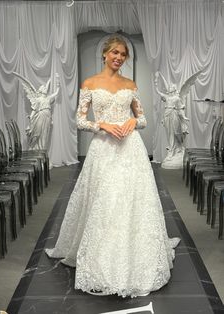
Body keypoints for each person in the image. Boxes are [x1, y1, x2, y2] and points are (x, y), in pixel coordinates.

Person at [45, 35, 180, 298]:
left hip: (131, 150)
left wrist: (133, 122)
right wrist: (102, 125)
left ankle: (134, 254)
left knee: (132, 200)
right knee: (104, 201)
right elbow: (80, 121)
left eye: (123, 54)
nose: (119, 57)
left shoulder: (130, 84)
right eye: (115, 53)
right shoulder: (90, 83)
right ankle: (102, 258)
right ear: (104, 54)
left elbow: (142, 118)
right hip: (103, 149)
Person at [13, 72, 60, 150]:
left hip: (47, 117)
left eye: (45, 88)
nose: (46, 89)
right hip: (40, 116)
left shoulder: (47, 98)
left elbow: (56, 93)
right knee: (37, 133)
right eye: (44, 89)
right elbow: (34, 110)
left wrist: (55, 83)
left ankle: (42, 150)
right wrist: (31, 118)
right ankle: (33, 148)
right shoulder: (38, 100)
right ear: (41, 91)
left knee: (45, 134)